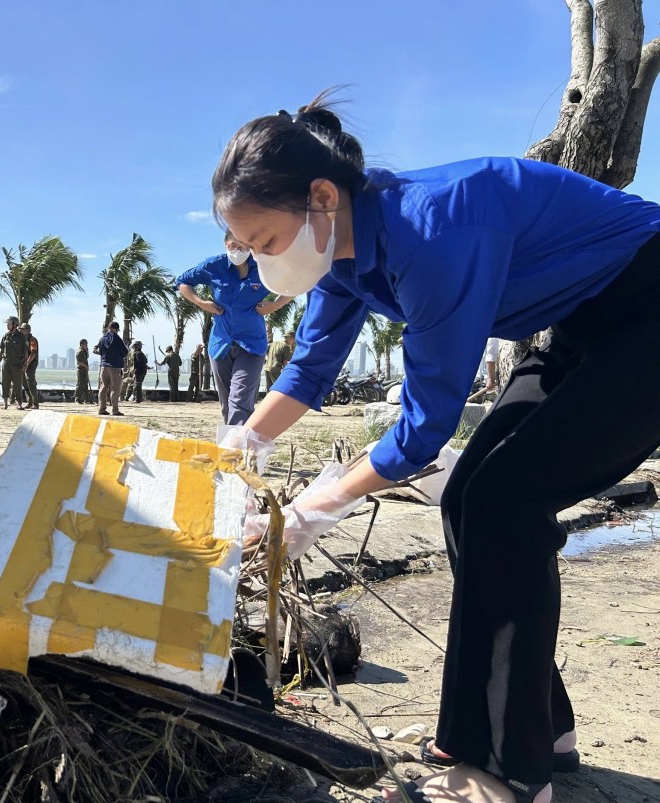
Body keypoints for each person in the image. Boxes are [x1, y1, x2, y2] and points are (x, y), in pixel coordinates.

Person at [213, 93, 660, 803]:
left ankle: (505, 771)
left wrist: (310, 509)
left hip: (647, 310)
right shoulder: (344, 256)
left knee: (503, 501)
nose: (263, 265)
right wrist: (239, 444)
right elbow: (310, 368)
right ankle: (538, 727)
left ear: (321, 198)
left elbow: (424, 426)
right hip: (577, 322)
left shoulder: (434, 228)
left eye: (265, 242)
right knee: (470, 499)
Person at [177, 230, 294, 424]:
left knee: (239, 400)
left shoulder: (265, 266)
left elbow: (293, 284)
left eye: (242, 247)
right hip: (220, 343)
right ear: (225, 245)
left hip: (252, 344)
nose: (237, 250)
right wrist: (201, 303)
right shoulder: (214, 265)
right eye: (233, 246)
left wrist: (275, 305)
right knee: (227, 404)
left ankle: (237, 449)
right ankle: (234, 444)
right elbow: (182, 282)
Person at [95, 321, 128, 416]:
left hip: (104, 366)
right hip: (115, 367)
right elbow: (125, 352)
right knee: (115, 388)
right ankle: (115, 410)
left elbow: (100, 351)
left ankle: (101, 408)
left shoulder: (102, 339)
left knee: (103, 387)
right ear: (116, 329)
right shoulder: (117, 339)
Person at [0, 316, 27, 410]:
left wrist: (25, 364)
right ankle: (5, 403)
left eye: (8, 324)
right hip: (6, 364)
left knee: (17, 384)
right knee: (5, 383)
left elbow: (25, 351)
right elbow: (1, 350)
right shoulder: (5, 336)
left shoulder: (21, 337)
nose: (7, 325)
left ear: (14, 324)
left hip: (17, 364)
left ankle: (19, 404)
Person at [20, 322, 40, 409]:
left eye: (23, 330)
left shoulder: (32, 339)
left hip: (31, 364)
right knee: (25, 383)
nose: (21, 331)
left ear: (27, 330)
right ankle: (29, 402)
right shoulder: (23, 340)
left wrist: (27, 363)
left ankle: (35, 403)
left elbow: (33, 352)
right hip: (24, 364)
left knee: (31, 382)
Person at [75, 339, 91, 404]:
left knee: (85, 385)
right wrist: (85, 366)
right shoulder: (80, 352)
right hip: (81, 370)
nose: (86, 346)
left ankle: (86, 399)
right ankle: (77, 398)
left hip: (84, 370)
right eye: (85, 344)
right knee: (80, 384)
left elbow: (87, 357)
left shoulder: (84, 351)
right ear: (81, 344)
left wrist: (87, 351)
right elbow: (80, 362)